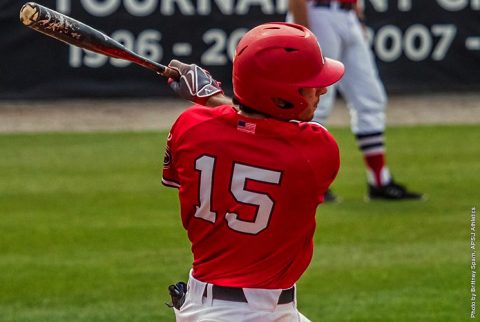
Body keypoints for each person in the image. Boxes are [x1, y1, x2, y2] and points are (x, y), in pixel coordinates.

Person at [162, 22, 344, 321]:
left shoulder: (190, 127)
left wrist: (208, 99)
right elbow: (261, 132)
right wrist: (210, 95)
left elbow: (243, 130)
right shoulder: (317, 150)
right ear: (283, 95)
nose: (322, 88)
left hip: (212, 305)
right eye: (310, 83)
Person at [287, 0, 423, 200]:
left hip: (346, 14)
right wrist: (302, 30)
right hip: (317, 14)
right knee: (315, 101)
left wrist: (357, 17)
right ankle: (307, 179)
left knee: (371, 99)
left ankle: (379, 180)